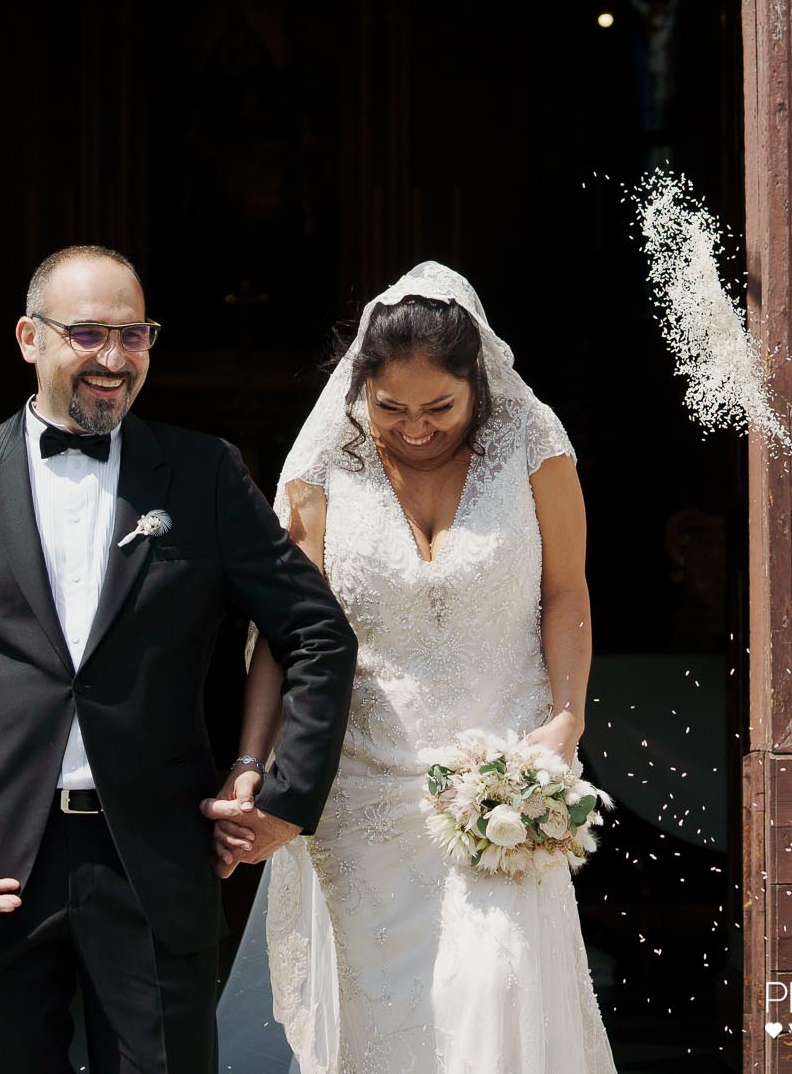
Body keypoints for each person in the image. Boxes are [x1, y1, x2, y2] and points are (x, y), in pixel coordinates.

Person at [0, 244, 358, 1073]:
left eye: (134, 336)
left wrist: (281, 791)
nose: (114, 358)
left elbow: (316, 631)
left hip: (156, 864)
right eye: (89, 333)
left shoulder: (203, 473)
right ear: (30, 337)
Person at [209, 261, 618, 1072]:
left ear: (480, 382)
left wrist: (567, 716)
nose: (417, 427)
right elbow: (286, 636)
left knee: (495, 990)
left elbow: (565, 590)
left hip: (499, 777)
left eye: (440, 406)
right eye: (391, 407)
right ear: (360, 387)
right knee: (381, 1022)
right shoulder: (325, 469)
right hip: (359, 791)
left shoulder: (534, 448)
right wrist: (253, 761)